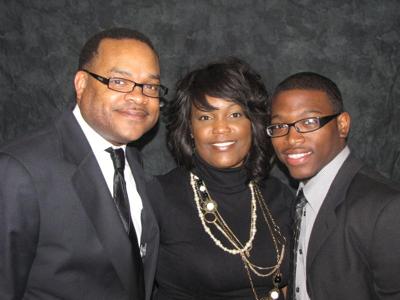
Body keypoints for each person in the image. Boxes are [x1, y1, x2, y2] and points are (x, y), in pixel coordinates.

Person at [0, 27, 167, 300]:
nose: (138, 97)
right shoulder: (19, 171)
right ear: (81, 84)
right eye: (119, 81)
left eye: (150, 86)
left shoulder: (130, 161)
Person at [147, 58, 293, 300]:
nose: (221, 128)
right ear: (189, 129)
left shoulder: (280, 196)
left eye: (235, 114)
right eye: (205, 117)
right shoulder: (158, 197)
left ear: (253, 124)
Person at [266, 71, 400, 300]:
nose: (291, 139)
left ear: (342, 124)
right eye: (279, 127)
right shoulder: (296, 196)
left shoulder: (386, 208)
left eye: (308, 122)